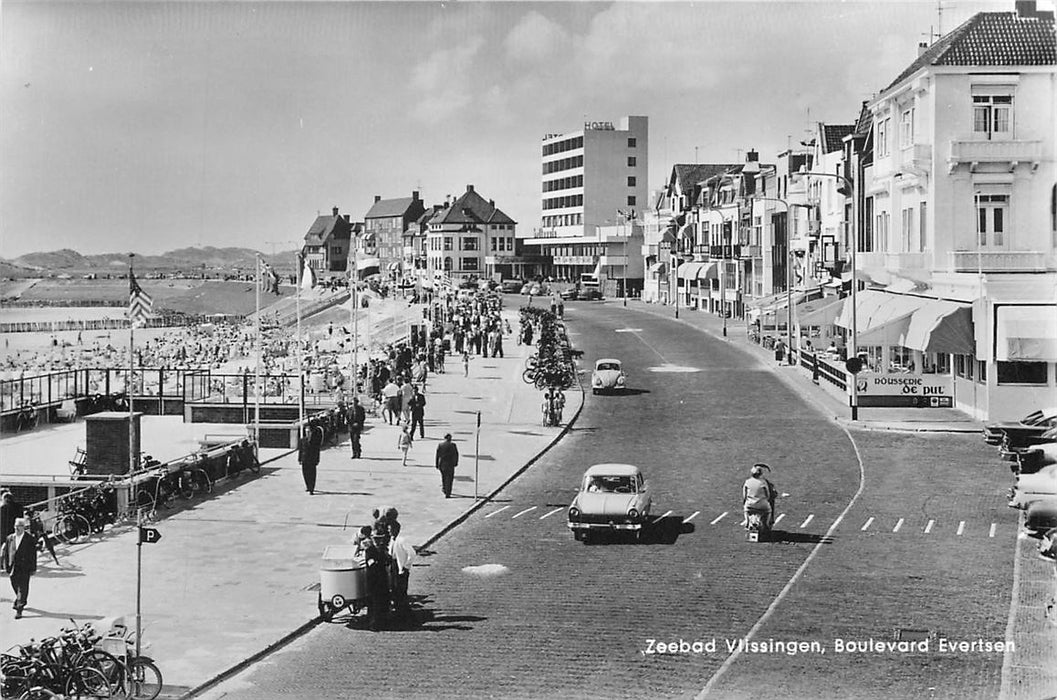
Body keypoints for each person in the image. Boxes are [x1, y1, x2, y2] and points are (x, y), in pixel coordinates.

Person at [2, 517, 37, 619]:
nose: (17, 529)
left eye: (20, 527)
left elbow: (33, 554)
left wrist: (33, 568)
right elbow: (7, 553)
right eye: (16, 526)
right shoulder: (10, 538)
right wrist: (6, 565)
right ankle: (20, 600)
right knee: (14, 584)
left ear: (24, 528)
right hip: (13, 566)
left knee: (22, 587)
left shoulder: (29, 539)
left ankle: (19, 609)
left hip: (24, 567)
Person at [388, 520, 415, 620]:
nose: (389, 531)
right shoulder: (392, 540)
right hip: (393, 566)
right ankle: (398, 610)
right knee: (394, 589)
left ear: (396, 530)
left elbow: (412, 553)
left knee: (401, 591)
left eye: (390, 529)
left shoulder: (402, 540)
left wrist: (406, 566)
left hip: (400, 568)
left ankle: (404, 613)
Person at [741, 464, 775, 529]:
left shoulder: (747, 482)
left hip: (750, 505)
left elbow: (744, 496)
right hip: (762, 505)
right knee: (768, 511)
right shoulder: (763, 482)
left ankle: (747, 522)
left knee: (746, 510)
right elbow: (768, 495)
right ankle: (767, 524)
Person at [298, 423, 323, 495]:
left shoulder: (315, 441)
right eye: (306, 431)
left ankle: (312, 488)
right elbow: (300, 450)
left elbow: (317, 450)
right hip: (304, 459)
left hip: (312, 459)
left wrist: (317, 459)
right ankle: (308, 486)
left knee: (312, 474)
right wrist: (299, 459)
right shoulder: (302, 440)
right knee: (305, 473)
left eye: (309, 431)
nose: (307, 432)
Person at [435, 433, 459, 498]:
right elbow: (456, 455)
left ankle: (444, 488)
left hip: (442, 464)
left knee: (444, 477)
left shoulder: (440, 445)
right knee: (450, 479)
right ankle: (448, 492)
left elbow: (437, 455)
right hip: (450, 464)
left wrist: (437, 464)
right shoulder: (453, 445)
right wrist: (455, 463)